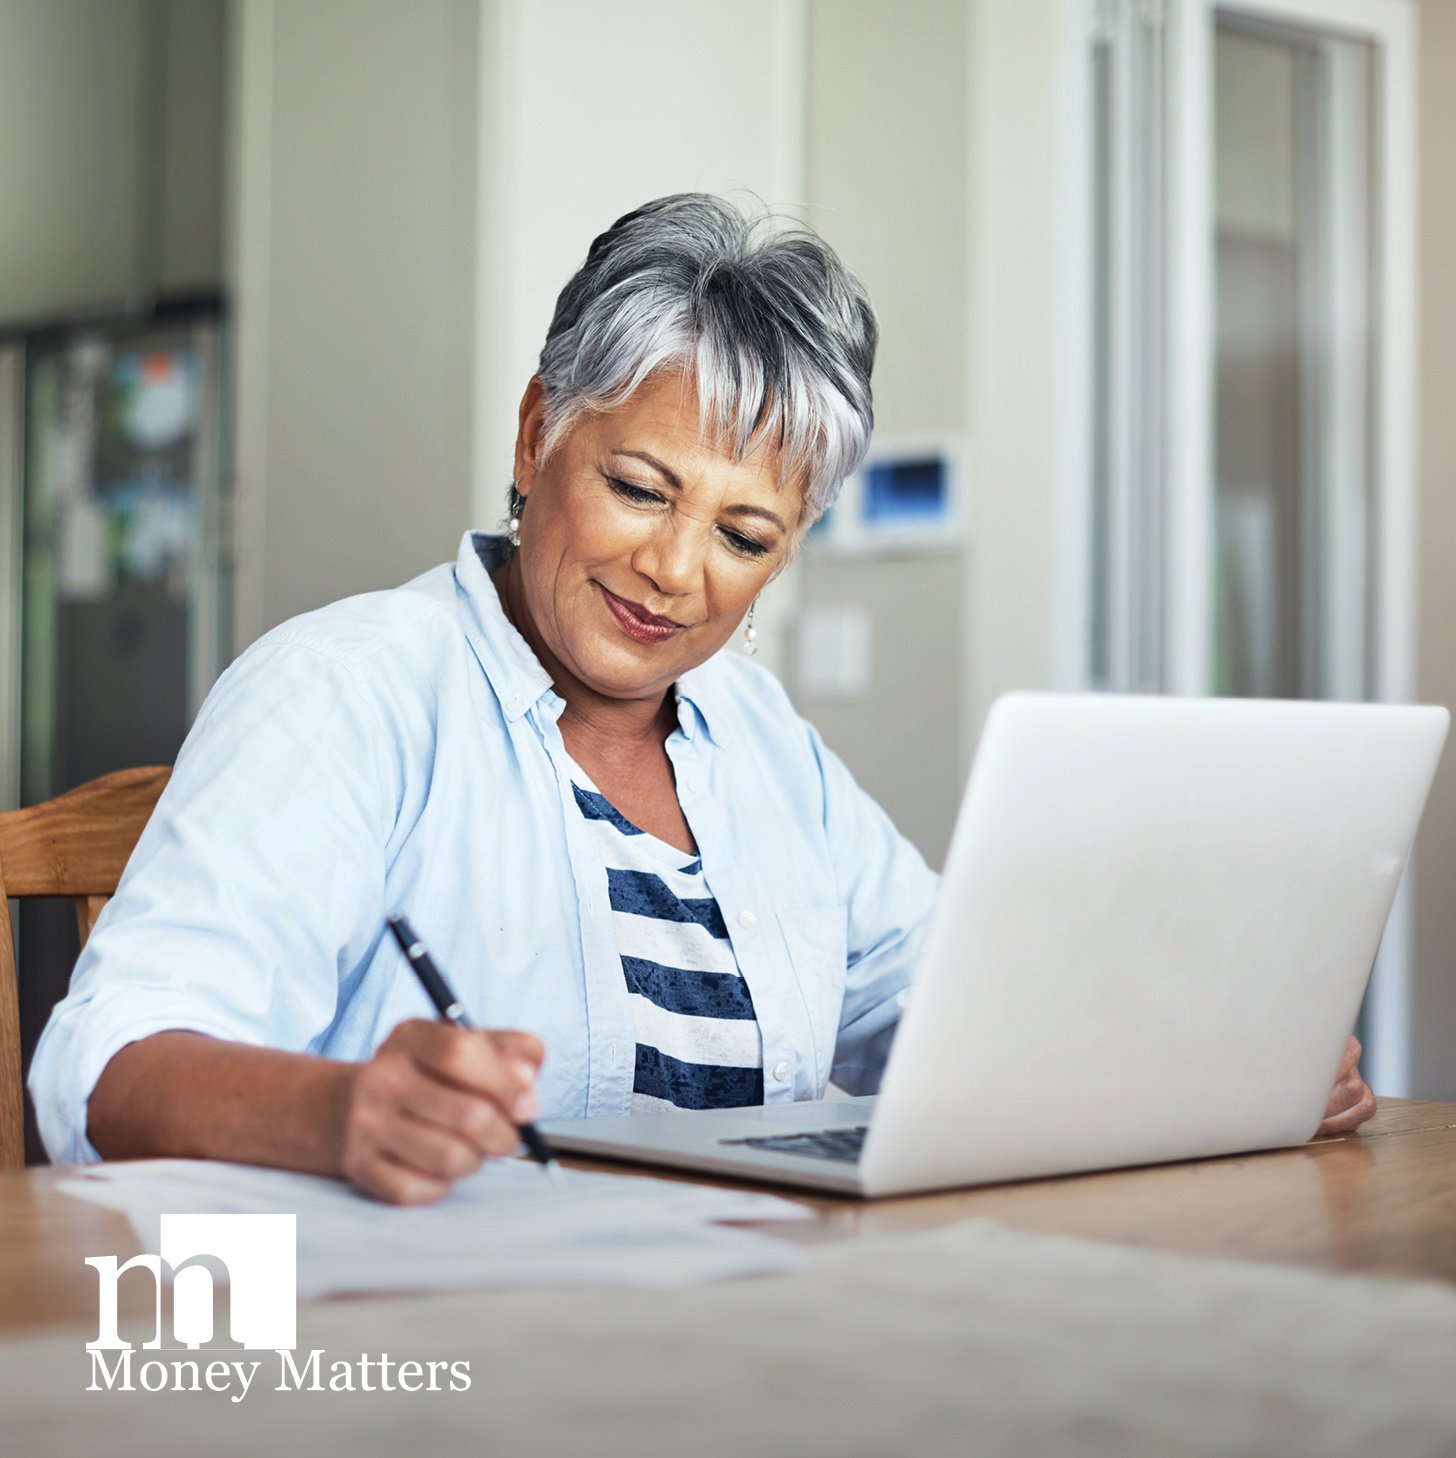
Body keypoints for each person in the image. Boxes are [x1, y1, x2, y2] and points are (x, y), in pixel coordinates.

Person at [28, 195, 1376, 1204]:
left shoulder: (757, 734)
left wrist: (1215, 1059)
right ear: (536, 430)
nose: (674, 575)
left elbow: (943, 1009)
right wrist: (336, 1112)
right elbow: (102, 1065)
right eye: (639, 488)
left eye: (745, 536)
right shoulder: (347, 692)